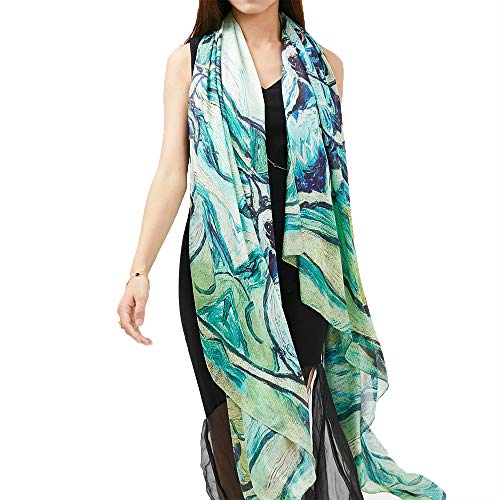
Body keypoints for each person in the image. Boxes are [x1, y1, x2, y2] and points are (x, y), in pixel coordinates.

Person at [116, 1, 445, 499]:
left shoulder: (325, 68)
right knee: (234, 429)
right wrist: (139, 271)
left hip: (303, 276)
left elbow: (327, 193)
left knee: (297, 428)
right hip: (218, 282)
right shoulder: (189, 62)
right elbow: (171, 173)